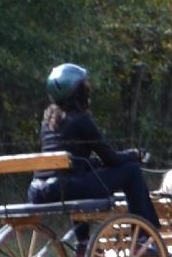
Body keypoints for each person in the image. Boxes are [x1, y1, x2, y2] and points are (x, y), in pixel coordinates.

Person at [29, 62, 159, 243]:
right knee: (131, 171)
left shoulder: (48, 120)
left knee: (81, 178)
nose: (88, 88)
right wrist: (134, 155)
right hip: (65, 187)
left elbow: (81, 161)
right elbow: (111, 158)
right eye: (84, 86)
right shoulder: (81, 120)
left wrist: (99, 163)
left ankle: (83, 245)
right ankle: (144, 237)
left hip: (37, 190)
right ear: (77, 92)